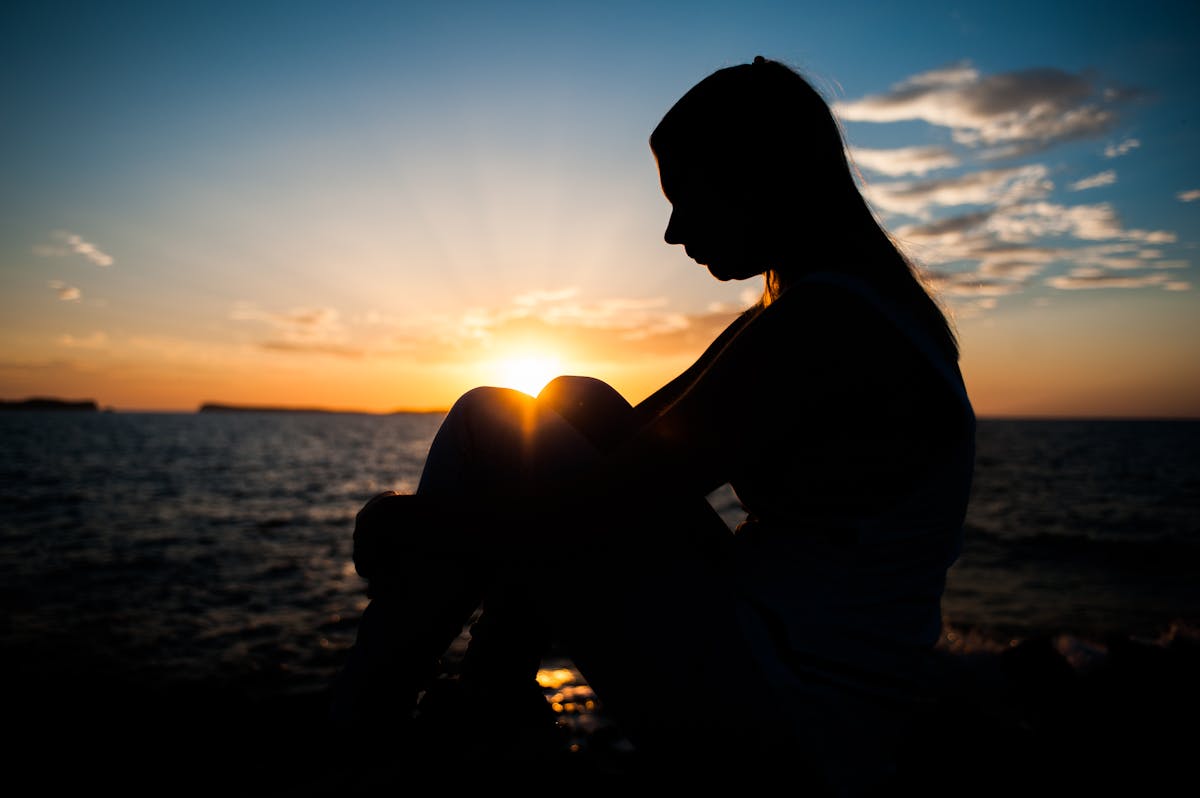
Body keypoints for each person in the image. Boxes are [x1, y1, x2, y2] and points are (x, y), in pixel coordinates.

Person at [332, 55, 975, 793]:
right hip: (798, 671)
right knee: (567, 400)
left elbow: (604, 507)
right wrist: (459, 521)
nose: (671, 231)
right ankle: (492, 693)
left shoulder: (826, 326)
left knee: (487, 422)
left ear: (753, 180)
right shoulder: (829, 306)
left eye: (684, 196)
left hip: (799, 715)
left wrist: (413, 527)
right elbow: (623, 439)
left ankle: (359, 726)